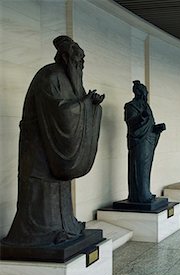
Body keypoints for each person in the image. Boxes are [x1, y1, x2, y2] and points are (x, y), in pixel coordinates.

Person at [2, 36, 105, 246]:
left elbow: (76, 106)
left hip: (56, 146)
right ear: (65, 57)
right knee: (41, 188)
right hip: (39, 146)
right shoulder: (49, 76)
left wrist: (92, 105)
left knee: (60, 185)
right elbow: (58, 111)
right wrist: (84, 104)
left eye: (82, 62)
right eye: (78, 61)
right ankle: (37, 234)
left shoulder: (71, 81)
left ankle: (64, 226)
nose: (80, 65)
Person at [124, 80, 166, 203]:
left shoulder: (146, 106)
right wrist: (141, 117)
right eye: (143, 93)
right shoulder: (130, 106)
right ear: (139, 93)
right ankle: (140, 195)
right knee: (139, 167)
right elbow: (131, 123)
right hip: (138, 141)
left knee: (146, 167)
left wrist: (157, 128)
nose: (145, 95)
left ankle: (145, 192)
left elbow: (150, 126)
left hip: (148, 142)